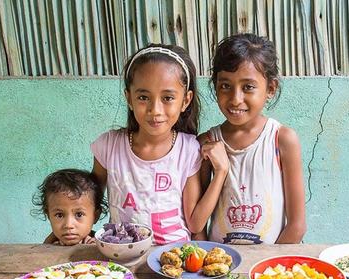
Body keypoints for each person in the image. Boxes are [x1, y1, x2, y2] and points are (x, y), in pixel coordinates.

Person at [91, 44, 228, 245]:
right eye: (143, 97)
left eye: (168, 98)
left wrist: (222, 171)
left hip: (174, 259)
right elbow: (87, 204)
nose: (155, 110)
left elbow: (195, 224)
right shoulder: (109, 146)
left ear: (185, 100)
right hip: (122, 259)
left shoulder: (189, 150)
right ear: (129, 97)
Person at [200, 33, 306, 244]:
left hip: (268, 270)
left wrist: (269, 268)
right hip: (218, 265)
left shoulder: (282, 139)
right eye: (225, 86)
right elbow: (197, 223)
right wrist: (206, 262)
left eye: (248, 87)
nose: (235, 99)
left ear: (271, 89)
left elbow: (297, 225)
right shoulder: (207, 143)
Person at [33, 169, 106, 245]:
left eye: (79, 214)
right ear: (48, 215)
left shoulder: (101, 245)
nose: (68, 225)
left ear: (96, 216)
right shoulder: (50, 244)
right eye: (59, 215)